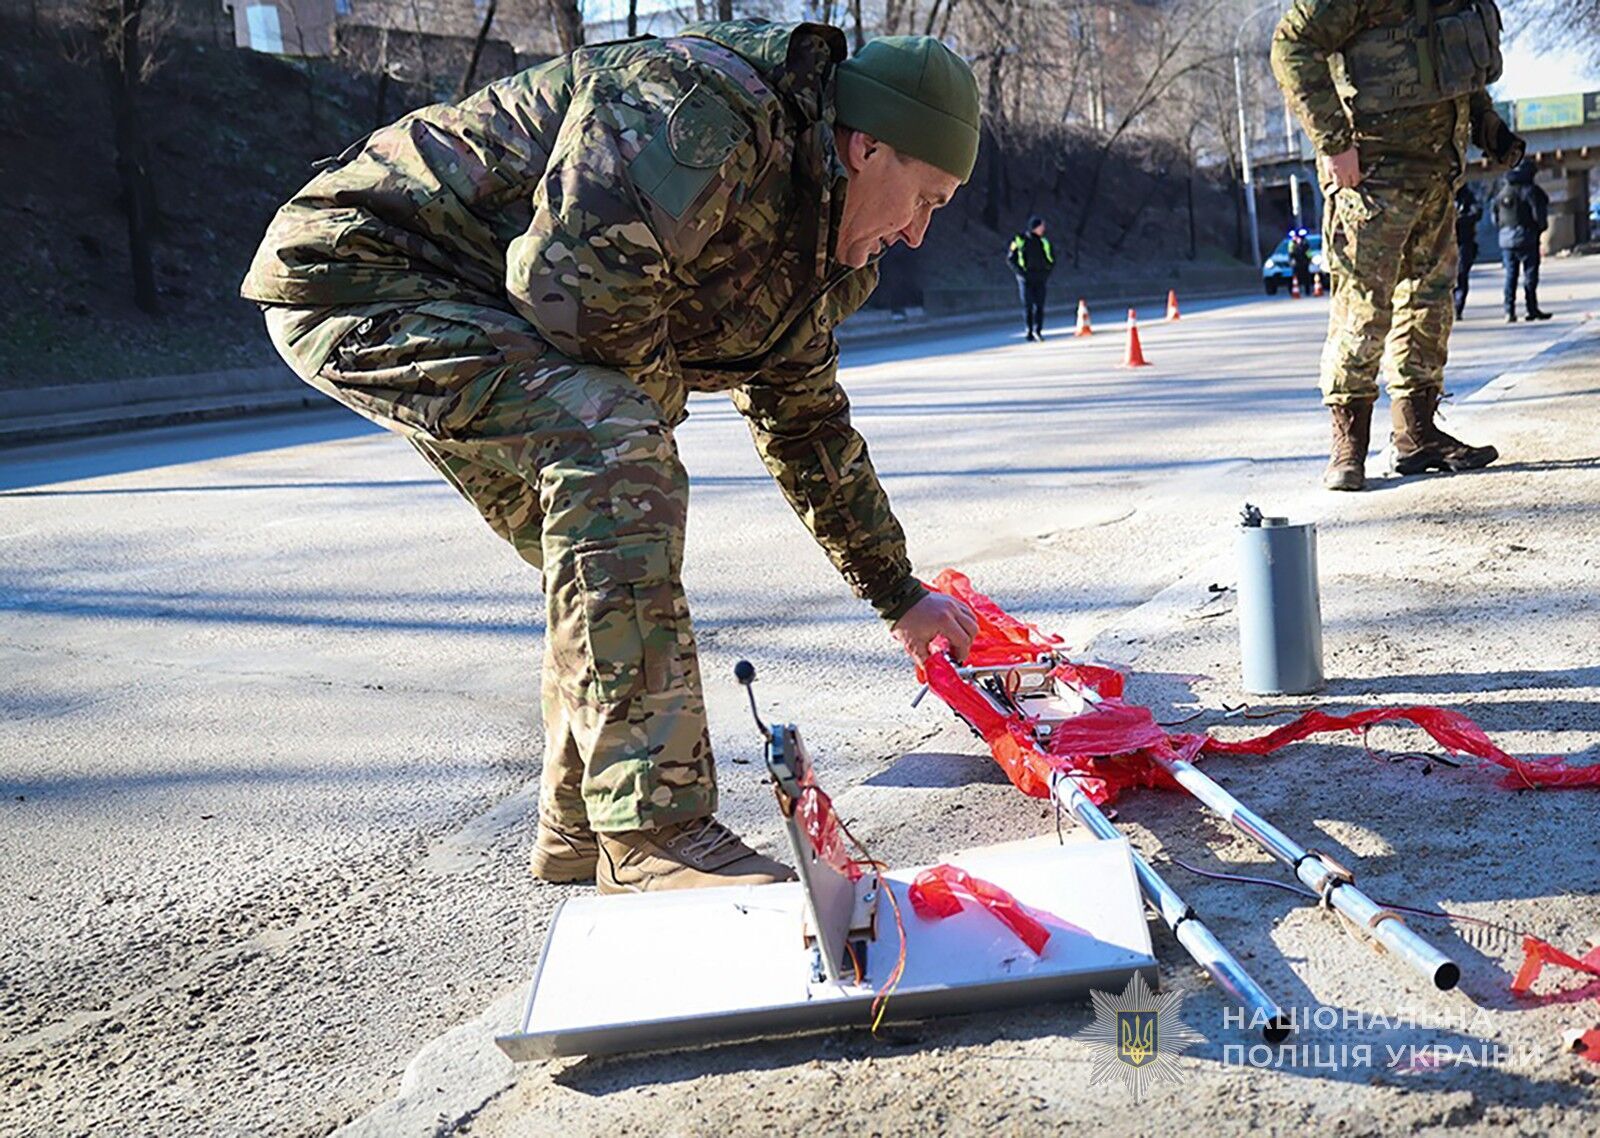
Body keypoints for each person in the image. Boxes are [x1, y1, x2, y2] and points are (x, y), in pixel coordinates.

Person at [240, 23, 982, 894]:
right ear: (869, 149)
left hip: (487, 307)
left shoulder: (820, 249)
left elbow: (808, 424)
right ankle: (653, 832)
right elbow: (578, 301)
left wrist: (900, 595)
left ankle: (583, 827)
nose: (921, 233)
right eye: (926, 197)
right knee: (618, 459)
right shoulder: (706, 110)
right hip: (364, 270)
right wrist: (642, 446)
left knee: (603, 537)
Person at [1272, 0, 1524, 492]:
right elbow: (1291, 46)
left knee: (1429, 307)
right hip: (1372, 178)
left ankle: (1417, 435)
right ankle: (1349, 448)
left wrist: (1487, 125)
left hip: (1439, 175)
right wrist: (1333, 142)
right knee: (1363, 311)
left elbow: (1456, 70)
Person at [1495, 159, 1552, 322]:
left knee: (1510, 276)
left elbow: (1496, 218)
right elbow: (1539, 216)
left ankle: (1509, 311)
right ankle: (1531, 309)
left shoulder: (1503, 192)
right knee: (1530, 275)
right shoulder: (1531, 191)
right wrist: (1539, 229)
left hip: (1506, 240)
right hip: (1527, 238)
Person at [1007, 215, 1055, 341]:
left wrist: (1046, 273)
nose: (1043, 228)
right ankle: (1028, 330)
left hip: (1040, 278)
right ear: (1035, 227)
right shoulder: (1019, 240)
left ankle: (1038, 330)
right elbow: (1010, 259)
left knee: (1039, 305)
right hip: (1025, 278)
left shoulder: (1044, 242)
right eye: (1041, 226)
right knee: (1028, 305)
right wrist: (1021, 274)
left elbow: (1052, 259)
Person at [1452, 183, 1482, 318]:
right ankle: (1450, 306)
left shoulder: (1467, 196)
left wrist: (1459, 220)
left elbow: (1477, 212)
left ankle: (1457, 307)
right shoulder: (1442, 194)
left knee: (1461, 274)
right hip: (1445, 242)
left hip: (1464, 241)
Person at [1287, 228, 1314, 297]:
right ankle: (1293, 290)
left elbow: (1308, 253)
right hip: (1296, 263)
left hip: (1304, 263)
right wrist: (1291, 261)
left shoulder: (1305, 243)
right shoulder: (1292, 244)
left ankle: (1307, 291)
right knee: (1295, 277)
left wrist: (1310, 259)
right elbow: (1290, 254)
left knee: (1306, 277)